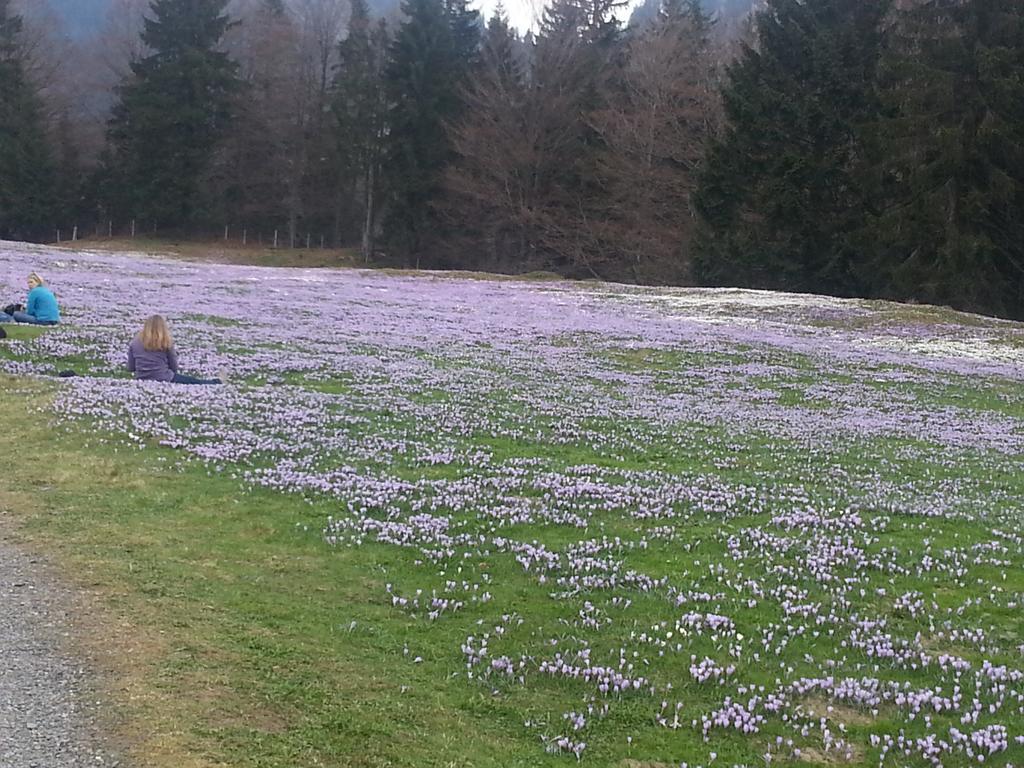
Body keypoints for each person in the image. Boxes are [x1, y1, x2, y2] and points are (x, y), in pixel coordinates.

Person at [128, 315, 222, 385]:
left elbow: (131, 367)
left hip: (141, 379)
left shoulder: (135, 342)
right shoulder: (165, 341)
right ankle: (216, 382)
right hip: (165, 378)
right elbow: (174, 365)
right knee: (195, 381)